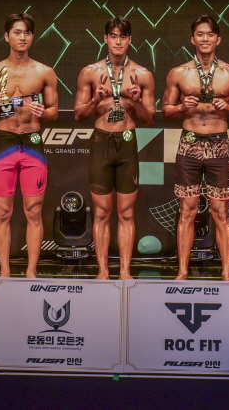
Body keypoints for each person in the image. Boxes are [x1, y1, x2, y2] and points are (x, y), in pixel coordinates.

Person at [162, 14, 229, 282]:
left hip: (218, 145)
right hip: (189, 144)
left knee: (220, 211)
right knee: (187, 210)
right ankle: (182, 271)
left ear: (218, 39)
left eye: (210, 34)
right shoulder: (178, 73)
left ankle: (226, 273)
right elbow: (166, 110)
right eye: (200, 34)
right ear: (192, 39)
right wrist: (182, 106)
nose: (205, 39)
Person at [73, 16, 156, 281]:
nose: (118, 42)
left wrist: (138, 101)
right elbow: (79, 115)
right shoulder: (90, 72)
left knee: (126, 212)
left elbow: (149, 119)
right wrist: (95, 100)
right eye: (113, 36)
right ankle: (102, 271)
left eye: (122, 37)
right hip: (101, 143)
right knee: (101, 212)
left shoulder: (142, 75)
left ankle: (125, 272)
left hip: (127, 144)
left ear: (130, 40)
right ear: (105, 39)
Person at [0, 12, 59, 280]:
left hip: (32, 142)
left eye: (26, 32)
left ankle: (31, 272)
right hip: (5, 143)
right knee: (2, 211)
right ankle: (4, 273)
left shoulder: (44, 72)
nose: (22, 37)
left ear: (32, 37)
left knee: (33, 211)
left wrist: (42, 111)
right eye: (16, 32)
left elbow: (53, 111)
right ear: (6, 36)